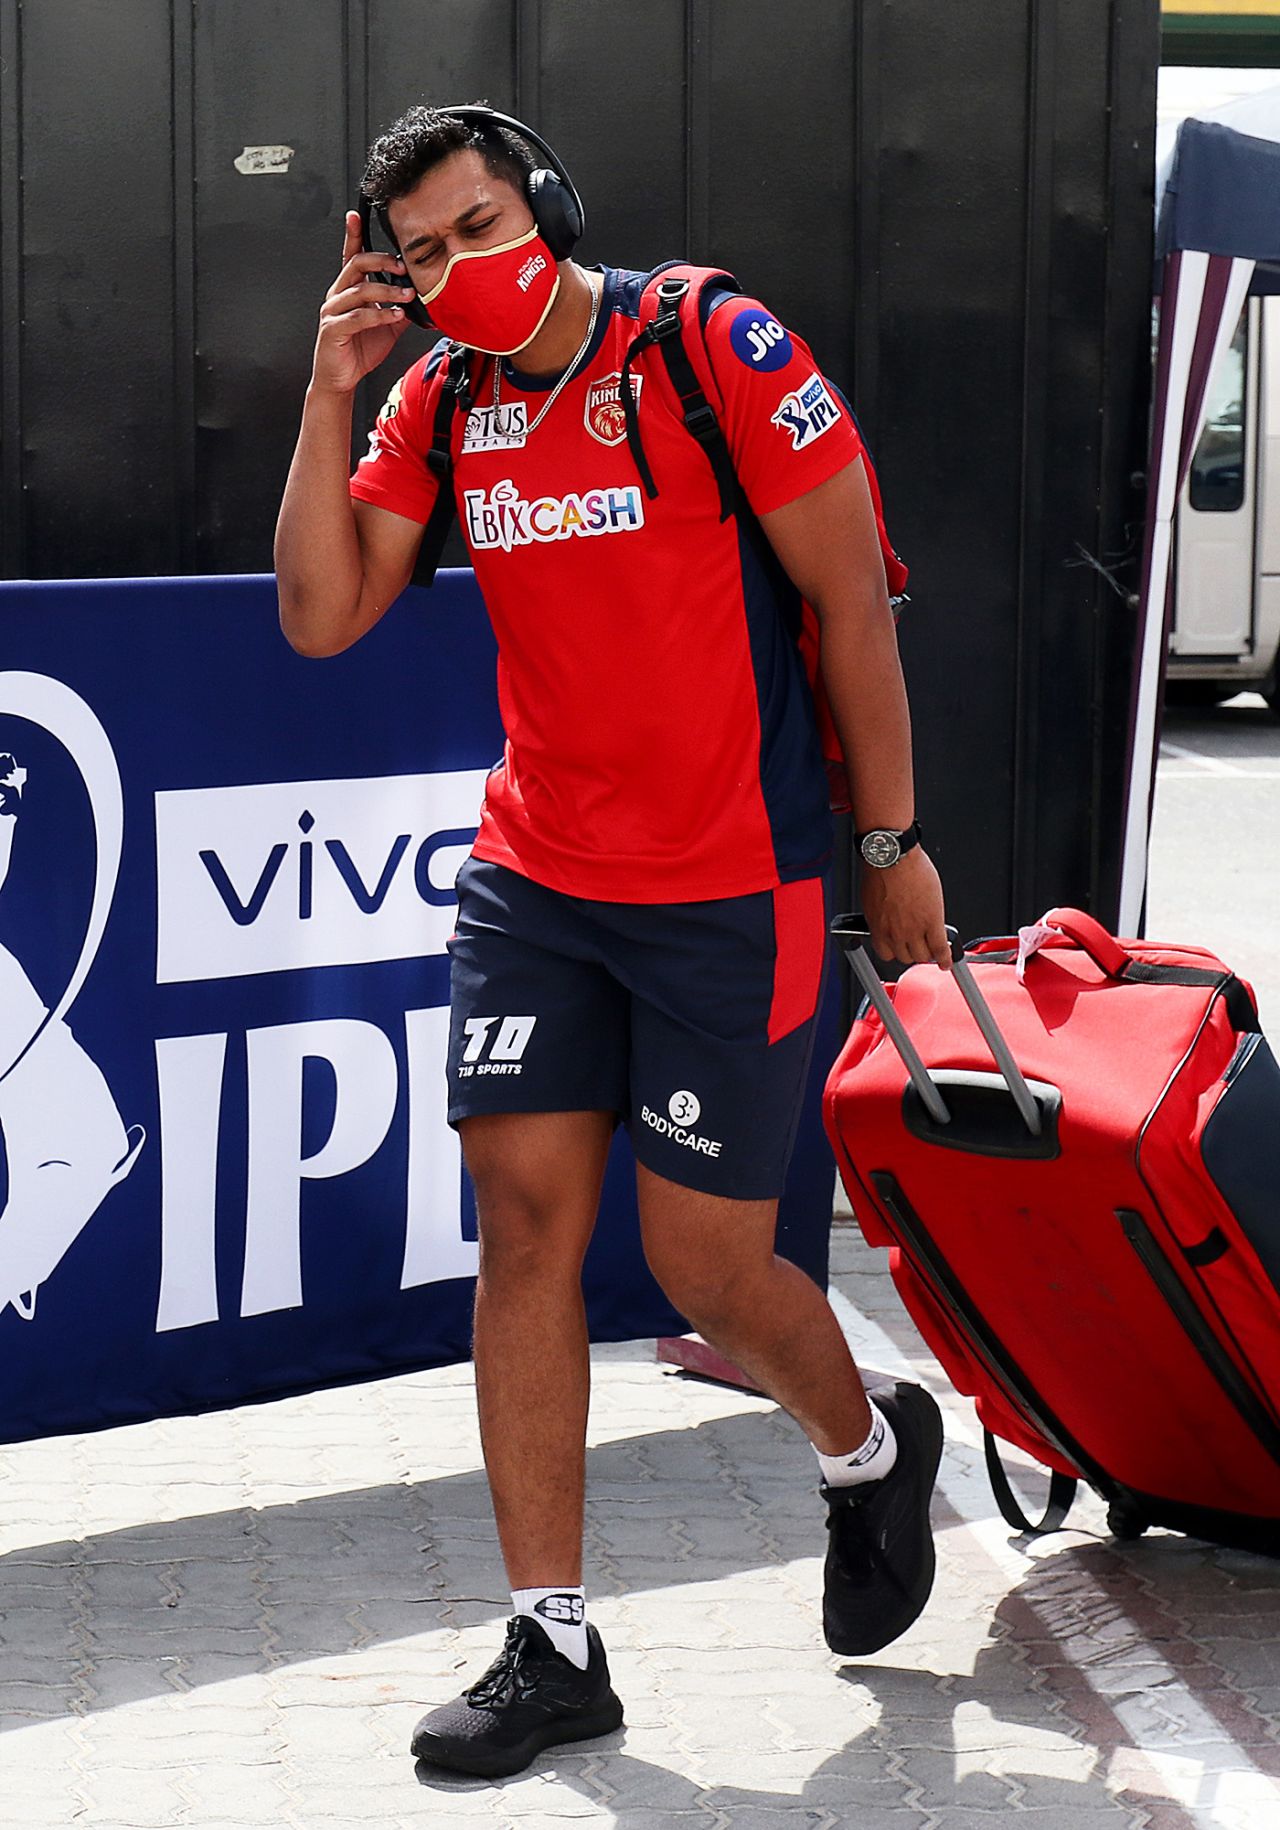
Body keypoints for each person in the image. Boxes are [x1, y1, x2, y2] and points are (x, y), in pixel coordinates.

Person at [275, 103, 951, 1781]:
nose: (459, 268)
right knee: (523, 1230)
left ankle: (871, 1447)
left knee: (710, 1264)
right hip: (539, 880)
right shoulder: (432, 397)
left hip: (739, 881)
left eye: (480, 223)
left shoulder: (708, 340)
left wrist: (890, 838)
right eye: (421, 253)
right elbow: (318, 613)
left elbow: (854, 594)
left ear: (549, 204)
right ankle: (552, 1638)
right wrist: (328, 388)